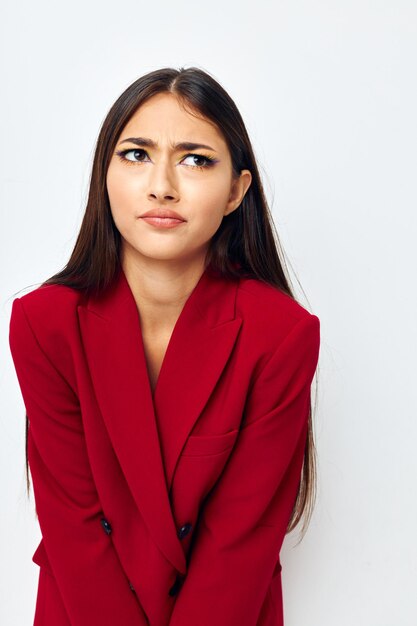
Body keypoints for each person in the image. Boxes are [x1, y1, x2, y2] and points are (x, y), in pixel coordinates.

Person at [8, 66, 321, 626]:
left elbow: (240, 542)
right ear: (104, 174)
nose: (162, 185)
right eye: (136, 154)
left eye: (196, 159)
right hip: (83, 608)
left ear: (236, 192)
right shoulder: (44, 323)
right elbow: (74, 523)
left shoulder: (280, 335)